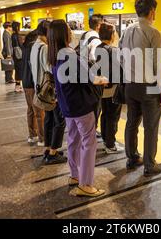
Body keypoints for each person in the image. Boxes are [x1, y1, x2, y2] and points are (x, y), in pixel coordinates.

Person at [49, 19, 106, 197]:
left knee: (73, 139)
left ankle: (75, 175)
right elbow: (90, 78)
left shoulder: (54, 55)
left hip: (67, 106)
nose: (72, 31)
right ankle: (86, 184)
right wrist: (103, 79)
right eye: (68, 29)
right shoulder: (70, 55)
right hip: (81, 106)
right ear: (64, 34)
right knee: (89, 142)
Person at [120, 0, 161, 177]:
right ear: (152, 11)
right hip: (150, 85)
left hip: (130, 85)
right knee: (151, 126)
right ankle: (149, 164)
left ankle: (132, 157)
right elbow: (159, 64)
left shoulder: (126, 30)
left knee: (131, 122)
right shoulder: (153, 33)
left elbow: (120, 57)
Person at [31, 20, 67, 165]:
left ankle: (48, 148)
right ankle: (53, 152)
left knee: (49, 120)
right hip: (50, 91)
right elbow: (51, 69)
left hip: (40, 89)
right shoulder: (45, 48)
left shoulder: (35, 45)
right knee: (60, 121)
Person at [95, 23, 124, 154]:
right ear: (112, 35)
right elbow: (118, 71)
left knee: (105, 114)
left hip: (103, 89)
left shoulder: (98, 48)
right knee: (113, 116)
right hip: (113, 89)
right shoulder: (113, 50)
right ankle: (111, 144)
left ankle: (107, 141)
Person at [22, 27, 44, 147]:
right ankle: (42, 138)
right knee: (39, 112)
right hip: (32, 82)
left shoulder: (26, 47)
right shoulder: (34, 47)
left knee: (31, 110)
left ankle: (32, 135)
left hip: (26, 82)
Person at [11, 21, 24, 93]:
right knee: (19, 70)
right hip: (19, 55)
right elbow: (19, 45)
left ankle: (18, 85)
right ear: (17, 27)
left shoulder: (13, 35)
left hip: (16, 55)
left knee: (18, 70)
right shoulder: (16, 35)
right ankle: (17, 86)